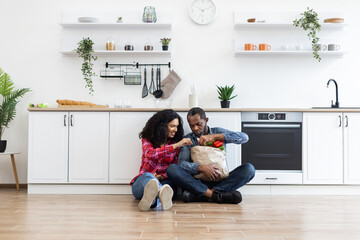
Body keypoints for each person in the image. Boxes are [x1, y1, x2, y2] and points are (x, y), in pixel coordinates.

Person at [167, 107, 255, 204]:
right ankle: (217, 196)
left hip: (221, 180)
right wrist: (201, 168)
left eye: (198, 124)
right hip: (198, 182)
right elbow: (182, 164)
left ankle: (205, 194)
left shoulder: (218, 132)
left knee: (249, 169)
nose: (195, 128)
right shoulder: (188, 139)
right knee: (172, 169)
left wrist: (214, 136)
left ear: (206, 120)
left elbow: (244, 138)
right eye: (192, 126)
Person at [130, 109, 192, 211]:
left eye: (177, 126)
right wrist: (175, 146)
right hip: (143, 183)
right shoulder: (147, 139)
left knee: (169, 186)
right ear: (162, 126)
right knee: (149, 178)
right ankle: (159, 196)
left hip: (165, 181)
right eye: (172, 126)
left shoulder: (175, 142)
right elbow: (150, 154)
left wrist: (162, 176)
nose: (175, 130)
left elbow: (176, 167)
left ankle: (153, 202)